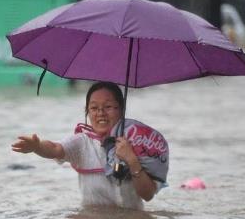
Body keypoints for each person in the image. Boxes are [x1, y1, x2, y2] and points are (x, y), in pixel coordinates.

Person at [11, 81, 169, 210]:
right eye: (93, 108)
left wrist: (131, 159)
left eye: (108, 107)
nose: (100, 112)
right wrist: (37, 146)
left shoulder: (139, 143)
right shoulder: (81, 143)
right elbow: (55, 149)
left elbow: (147, 196)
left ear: (121, 110)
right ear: (87, 112)